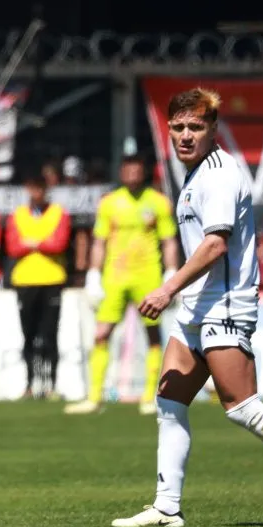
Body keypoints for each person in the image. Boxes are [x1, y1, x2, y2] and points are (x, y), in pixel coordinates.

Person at [111, 88, 263, 527]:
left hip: (224, 304)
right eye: (178, 127)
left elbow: (216, 243)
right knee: (169, 401)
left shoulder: (218, 174)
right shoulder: (194, 174)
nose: (185, 135)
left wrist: (167, 288)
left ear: (214, 129)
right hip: (197, 307)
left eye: (195, 127)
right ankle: (166, 507)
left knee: (240, 406)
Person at [67, 154, 179, 415]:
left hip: (147, 275)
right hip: (115, 277)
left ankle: (151, 396)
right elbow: (99, 240)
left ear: (144, 171)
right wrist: (93, 274)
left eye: (136, 168)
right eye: (127, 168)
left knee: (152, 334)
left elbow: (169, 240)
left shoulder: (158, 203)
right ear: (121, 171)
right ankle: (94, 397)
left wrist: (171, 273)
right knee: (101, 334)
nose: (132, 173)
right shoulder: (109, 203)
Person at [3, 173, 71, 398]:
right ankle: (30, 385)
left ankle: (51, 385)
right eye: (32, 187)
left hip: (52, 279)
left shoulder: (58, 213)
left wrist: (33, 242)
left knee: (50, 334)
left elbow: (59, 243)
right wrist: (43, 242)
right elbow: (12, 246)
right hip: (25, 280)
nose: (36, 193)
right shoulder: (17, 215)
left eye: (40, 188)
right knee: (29, 335)